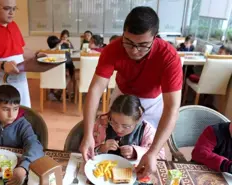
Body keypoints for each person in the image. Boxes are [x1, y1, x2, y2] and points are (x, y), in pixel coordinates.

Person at [79, 6, 182, 179]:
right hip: (122, 95)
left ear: (155, 37)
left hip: (153, 101)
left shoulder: (168, 56)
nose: (134, 51)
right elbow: (96, 89)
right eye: (129, 42)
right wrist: (88, 134)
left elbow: (172, 108)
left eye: (143, 45)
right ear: (124, 32)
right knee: (115, 131)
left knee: (146, 144)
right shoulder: (113, 48)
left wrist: (153, 152)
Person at [0, 0, 42, 109]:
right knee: (4, 118)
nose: (12, 13)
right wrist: (3, 65)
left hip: (19, 80)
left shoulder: (13, 25)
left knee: (23, 112)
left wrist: (36, 54)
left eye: (14, 8)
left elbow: (20, 50)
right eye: (7, 8)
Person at [93, 95, 165, 160]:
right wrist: (101, 148)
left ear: (138, 120)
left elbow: (160, 155)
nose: (119, 129)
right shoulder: (102, 124)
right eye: (114, 122)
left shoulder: (146, 130)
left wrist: (136, 152)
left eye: (125, 126)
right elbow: (86, 148)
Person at [47, 35, 75, 101]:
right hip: (62, 74)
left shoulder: (46, 52)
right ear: (58, 43)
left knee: (65, 73)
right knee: (70, 74)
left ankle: (53, 92)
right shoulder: (64, 53)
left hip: (50, 74)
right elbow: (70, 64)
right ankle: (62, 91)